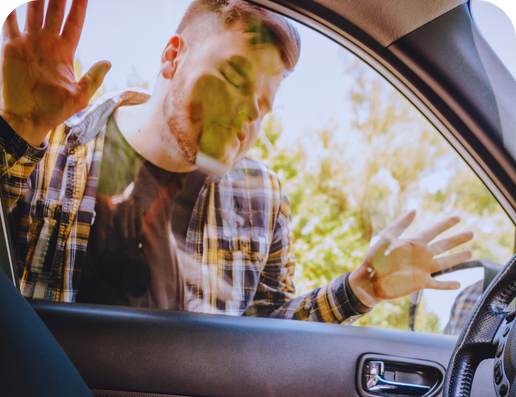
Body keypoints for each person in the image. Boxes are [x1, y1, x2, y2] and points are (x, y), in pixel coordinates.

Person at [0, 0, 474, 323]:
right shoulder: (51, 147)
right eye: (233, 77)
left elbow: (270, 332)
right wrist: (14, 130)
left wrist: (360, 287)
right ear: (172, 57)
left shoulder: (262, 196)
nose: (250, 112)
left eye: (265, 103)